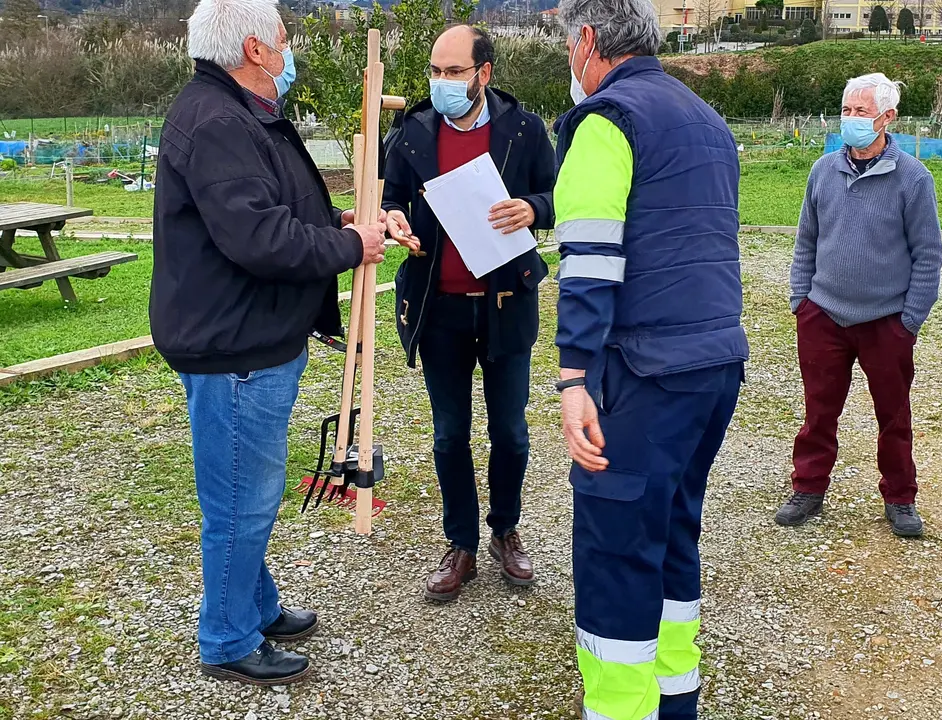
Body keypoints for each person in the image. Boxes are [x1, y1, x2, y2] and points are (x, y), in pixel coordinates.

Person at [150, 0, 387, 686]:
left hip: (246, 335)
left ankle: (255, 605)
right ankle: (227, 638)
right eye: (283, 39)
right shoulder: (219, 121)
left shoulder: (230, 111)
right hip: (236, 348)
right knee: (240, 502)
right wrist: (351, 246)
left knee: (245, 490)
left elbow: (269, 205)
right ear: (255, 49)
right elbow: (259, 238)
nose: (289, 51)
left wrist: (340, 220)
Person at [551, 0, 748, 716]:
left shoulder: (607, 120)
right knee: (672, 530)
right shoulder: (707, 120)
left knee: (616, 549)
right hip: (714, 361)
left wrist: (574, 375)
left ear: (587, 40)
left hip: (643, 369)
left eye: (568, 44)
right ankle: (675, 696)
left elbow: (590, 258)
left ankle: (620, 707)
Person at [381, 25, 555, 603]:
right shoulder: (410, 133)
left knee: (510, 431)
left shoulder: (524, 130)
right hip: (439, 310)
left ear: (484, 73)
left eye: (454, 72)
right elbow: (389, 197)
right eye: (435, 71)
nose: (442, 82)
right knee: (449, 434)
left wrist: (532, 208)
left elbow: (559, 196)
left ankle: (505, 530)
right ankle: (461, 543)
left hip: (505, 305)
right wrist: (392, 218)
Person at [775, 73, 942, 538]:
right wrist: (801, 300)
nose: (851, 119)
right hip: (823, 314)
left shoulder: (913, 178)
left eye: (861, 112)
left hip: (886, 320)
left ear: (887, 117)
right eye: (846, 110)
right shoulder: (823, 170)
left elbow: (928, 254)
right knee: (818, 411)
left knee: (893, 415)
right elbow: (806, 240)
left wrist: (910, 320)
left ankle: (900, 497)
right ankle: (808, 487)